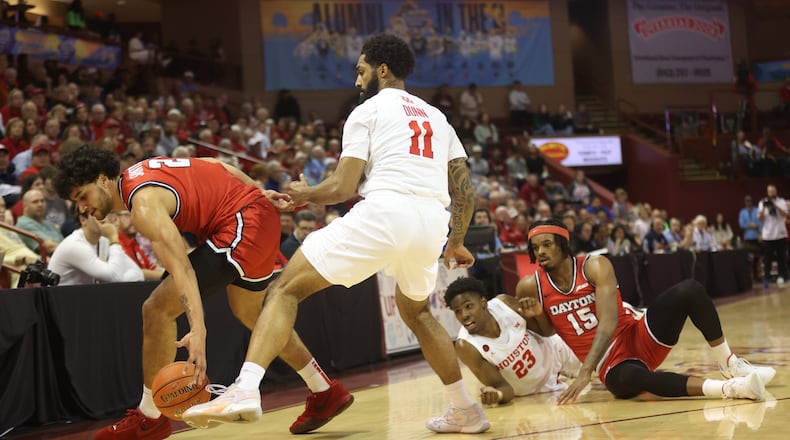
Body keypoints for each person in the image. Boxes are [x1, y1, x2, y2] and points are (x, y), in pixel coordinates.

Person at [182, 33, 490, 434]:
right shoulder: (438, 117)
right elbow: (464, 190)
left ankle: (245, 388)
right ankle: (465, 409)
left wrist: (304, 194)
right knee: (417, 312)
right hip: (432, 222)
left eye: (361, 71)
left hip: (387, 212)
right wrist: (456, 240)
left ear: (382, 69)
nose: (357, 81)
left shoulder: (367, 111)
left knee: (283, 290)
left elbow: (343, 187)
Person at [54, 146, 352, 439]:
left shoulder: (142, 205)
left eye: (83, 195)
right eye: (75, 201)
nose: (82, 207)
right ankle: (324, 390)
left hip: (240, 224)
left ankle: (149, 418)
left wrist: (198, 329)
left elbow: (183, 269)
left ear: (104, 180)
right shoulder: (141, 171)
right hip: (256, 219)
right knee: (251, 314)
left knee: (156, 309)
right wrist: (259, 192)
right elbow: (216, 164)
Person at [515, 219, 775, 406]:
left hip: (638, 335)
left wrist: (585, 373)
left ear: (563, 244)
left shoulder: (594, 266)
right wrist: (538, 314)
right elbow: (549, 330)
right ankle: (730, 388)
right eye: (535, 248)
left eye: (546, 244)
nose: (540, 252)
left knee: (690, 289)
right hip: (612, 364)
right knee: (631, 379)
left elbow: (609, 321)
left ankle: (729, 364)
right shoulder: (530, 285)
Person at [445, 277, 581, 405]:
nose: (464, 315)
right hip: (535, 393)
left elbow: (547, 332)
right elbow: (504, 388)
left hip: (557, 353)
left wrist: (538, 314)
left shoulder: (504, 304)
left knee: (600, 368)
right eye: (458, 311)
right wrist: (497, 395)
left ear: (483, 303)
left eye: (468, 306)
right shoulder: (466, 346)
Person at [47, 209, 144, 285]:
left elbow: (138, 274)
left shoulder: (103, 241)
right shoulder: (74, 245)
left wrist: (115, 274)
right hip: (60, 302)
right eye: (96, 213)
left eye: (105, 213)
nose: (103, 218)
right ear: (83, 220)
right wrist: (113, 239)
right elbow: (114, 277)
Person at [757, 184, 788, 288]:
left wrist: (775, 206)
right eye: (769, 191)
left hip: (780, 234)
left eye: (773, 191)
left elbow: (785, 215)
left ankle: (782, 276)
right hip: (768, 235)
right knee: (768, 258)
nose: (771, 193)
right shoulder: (762, 202)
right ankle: (766, 277)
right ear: (767, 192)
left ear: (776, 191)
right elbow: (760, 218)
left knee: (781, 257)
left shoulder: (781, 201)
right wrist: (763, 209)